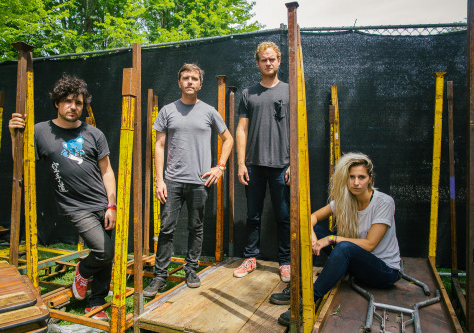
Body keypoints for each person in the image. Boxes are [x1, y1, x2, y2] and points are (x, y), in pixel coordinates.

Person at [8, 74, 116, 321]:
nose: (73, 107)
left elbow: (107, 171)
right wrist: (15, 136)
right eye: (67, 101)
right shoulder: (40, 132)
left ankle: (96, 302)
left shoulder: (94, 134)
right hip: (74, 206)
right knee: (102, 251)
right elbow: (21, 167)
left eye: (78, 102)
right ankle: (82, 270)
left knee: (107, 256)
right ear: (57, 103)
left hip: (102, 202)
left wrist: (112, 204)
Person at [272, 152, 401, 326]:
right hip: (358, 265)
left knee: (343, 246)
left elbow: (370, 245)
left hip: (384, 271)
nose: (356, 182)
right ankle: (299, 289)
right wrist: (313, 237)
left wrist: (331, 239)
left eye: (361, 177)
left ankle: (309, 301)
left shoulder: (384, 202)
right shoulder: (346, 199)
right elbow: (312, 218)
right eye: (351, 177)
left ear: (370, 178)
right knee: (315, 230)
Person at [143, 63, 233, 298]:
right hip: (171, 181)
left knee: (196, 227)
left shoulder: (209, 111)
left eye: (194, 78)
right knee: (166, 228)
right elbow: (159, 145)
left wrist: (220, 167)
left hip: (200, 182)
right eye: (186, 78)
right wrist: (159, 180)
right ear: (179, 82)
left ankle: (191, 269)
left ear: (200, 84)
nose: (190, 81)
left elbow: (229, 139)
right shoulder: (167, 111)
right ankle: (160, 276)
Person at [234, 41, 291, 282]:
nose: (268, 63)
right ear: (257, 63)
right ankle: (250, 258)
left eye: (272, 59)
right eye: (264, 59)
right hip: (254, 165)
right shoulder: (248, 93)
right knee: (253, 215)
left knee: (284, 216)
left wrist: (294, 165)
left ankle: (286, 261)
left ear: (279, 61)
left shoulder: (291, 91)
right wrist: (240, 163)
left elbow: (299, 130)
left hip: (283, 165)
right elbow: (241, 130)